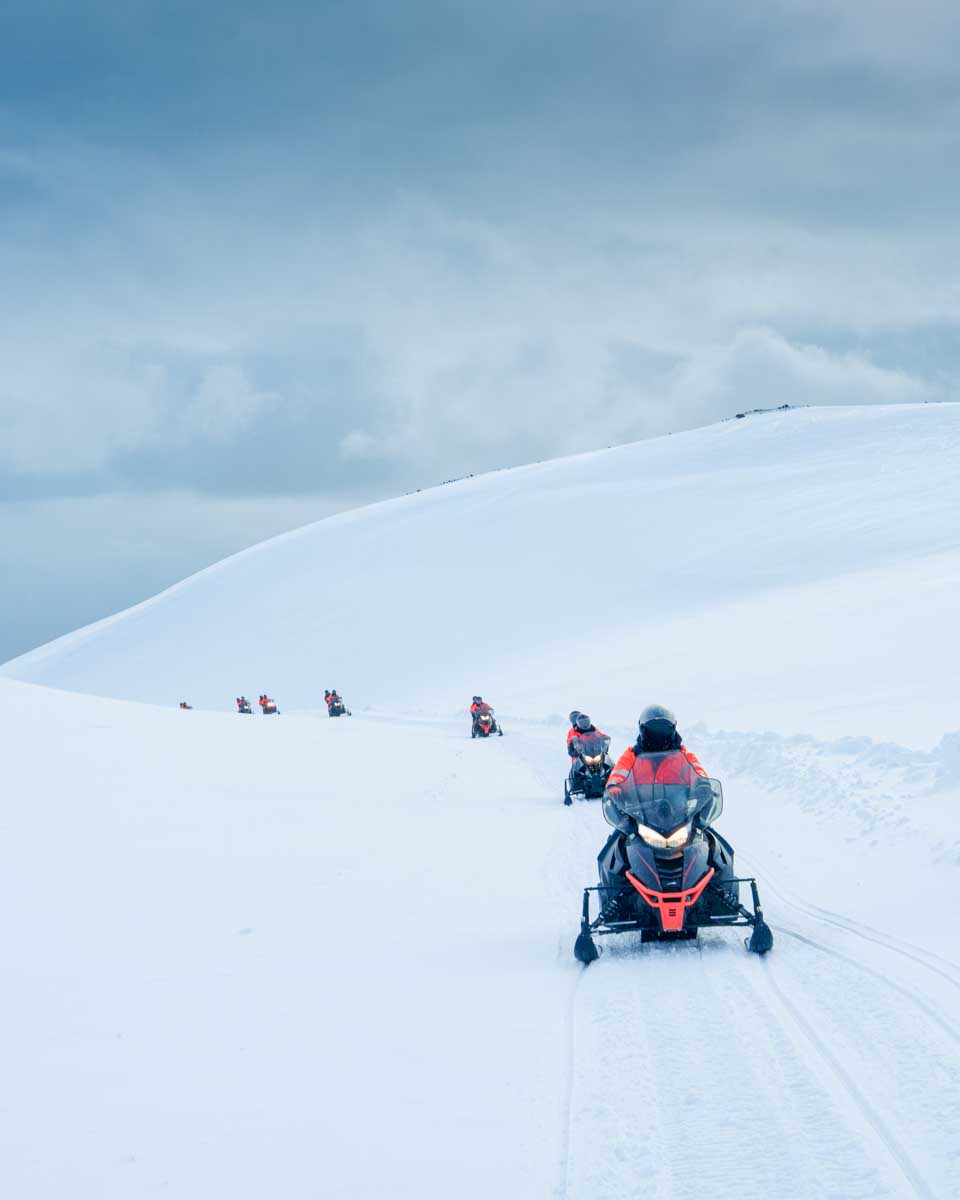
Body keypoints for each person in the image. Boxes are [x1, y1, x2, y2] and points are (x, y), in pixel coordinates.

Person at [597, 704, 708, 917]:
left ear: (672, 730)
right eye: (653, 730)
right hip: (642, 815)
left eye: (663, 730)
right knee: (613, 850)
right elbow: (619, 773)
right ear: (643, 731)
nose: (659, 736)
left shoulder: (684, 755)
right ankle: (612, 905)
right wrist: (615, 788)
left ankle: (718, 895)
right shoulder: (632, 755)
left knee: (713, 846)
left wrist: (702, 784)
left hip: (678, 816)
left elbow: (697, 770)